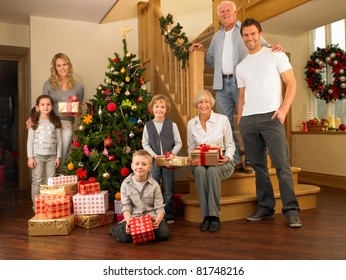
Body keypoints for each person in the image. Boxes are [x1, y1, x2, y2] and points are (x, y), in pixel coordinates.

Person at [189, 0, 282, 174]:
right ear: (218, 16)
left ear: (235, 12)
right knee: (226, 124)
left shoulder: (245, 31)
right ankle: (236, 160)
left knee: (245, 122)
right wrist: (201, 50)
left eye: (227, 11)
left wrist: (274, 47)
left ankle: (250, 160)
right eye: (221, 12)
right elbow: (210, 61)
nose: (224, 13)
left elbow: (263, 46)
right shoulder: (216, 37)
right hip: (221, 85)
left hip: (242, 84)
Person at [236, 18, 302, 228]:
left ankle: (291, 210)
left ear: (260, 33)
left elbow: (291, 83)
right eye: (246, 35)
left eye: (253, 33)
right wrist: (240, 119)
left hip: (271, 118)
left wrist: (283, 110)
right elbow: (242, 96)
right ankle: (265, 207)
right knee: (258, 167)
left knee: (282, 166)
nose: (250, 38)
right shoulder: (241, 66)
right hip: (249, 120)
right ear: (242, 37)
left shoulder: (276, 54)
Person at [187, 89, 235, 232]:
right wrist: (194, 159)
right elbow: (190, 147)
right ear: (196, 105)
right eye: (200, 102)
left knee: (213, 171)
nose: (204, 105)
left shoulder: (222, 120)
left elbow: (230, 144)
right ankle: (205, 216)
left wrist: (227, 157)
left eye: (206, 101)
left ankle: (214, 216)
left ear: (211, 104)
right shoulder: (191, 124)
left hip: (222, 162)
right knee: (201, 171)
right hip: (200, 163)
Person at [27, 53, 84, 167]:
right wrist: (31, 119)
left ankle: (58, 181)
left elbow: (79, 108)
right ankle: (48, 182)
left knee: (62, 155)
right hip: (49, 123)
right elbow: (42, 104)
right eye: (58, 65)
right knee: (48, 154)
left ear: (69, 66)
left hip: (67, 124)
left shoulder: (78, 87)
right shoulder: (48, 84)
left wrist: (76, 111)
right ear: (54, 68)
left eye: (64, 64)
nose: (62, 68)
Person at [109, 149, 170, 243]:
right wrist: (129, 222)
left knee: (164, 233)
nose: (140, 167)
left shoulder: (155, 185)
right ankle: (116, 230)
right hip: (133, 218)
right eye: (137, 164)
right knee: (123, 237)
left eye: (144, 164)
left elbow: (159, 207)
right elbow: (126, 207)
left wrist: (157, 220)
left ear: (150, 167)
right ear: (132, 166)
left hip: (150, 218)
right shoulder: (126, 184)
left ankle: (144, 234)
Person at [142, 94, 182, 224]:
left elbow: (178, 143)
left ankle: (169, 215)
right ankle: (154, 214)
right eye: (157, 106)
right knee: (153, 188)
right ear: (152, 109)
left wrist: (171, 154)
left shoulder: (172, 125)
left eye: (162, 107)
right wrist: (154, 155)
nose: (159, 109)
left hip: (168, 162)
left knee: (168, 189)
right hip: (154, 162)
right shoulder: (148, 126)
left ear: (166, 109)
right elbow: (145, 144)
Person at [27, 95, 62, 209]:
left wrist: (58, 156)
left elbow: (59, 141)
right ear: (37, 107)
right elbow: (30, 140)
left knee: (50, 181)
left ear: (52, 106)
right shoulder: (34, 122)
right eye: (42, 104)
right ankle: (36, 206)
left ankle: (47, 205)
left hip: (52, 157)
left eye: (48, 104)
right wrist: (30, 157)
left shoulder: (55, 121)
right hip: (37, 156)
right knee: (37, 180)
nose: (45, 107)